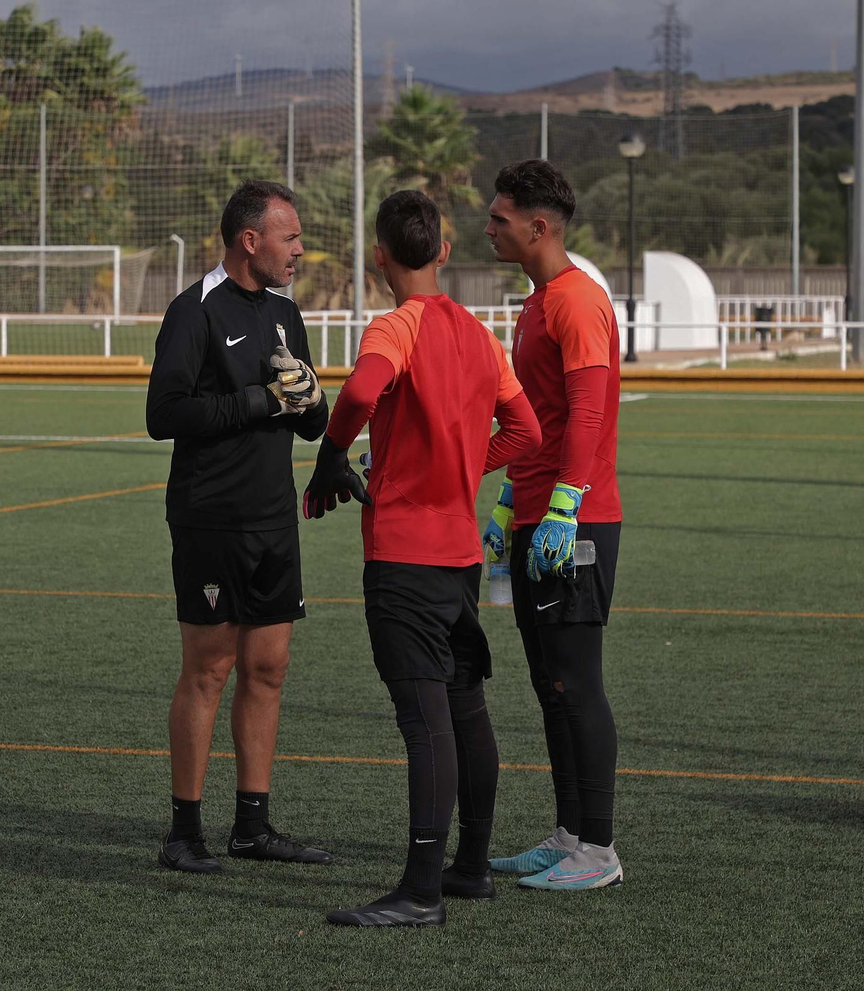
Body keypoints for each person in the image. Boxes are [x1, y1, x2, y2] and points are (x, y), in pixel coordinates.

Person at [309, 190, 540, 927]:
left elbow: (361, 390)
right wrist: (468, 465)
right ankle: (469, 867)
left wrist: (332, 454)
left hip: (404, 557)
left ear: (380, 256)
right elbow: (527, 431)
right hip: (460, 557)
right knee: (467, 709)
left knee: (425, 720)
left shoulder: (395, 325)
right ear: (443, 251)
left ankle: (419, 891)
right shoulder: (478, 333)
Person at [146, 179, 332, 873]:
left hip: (272, 519)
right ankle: (183, 832)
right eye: (290, 237)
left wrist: (314, 401)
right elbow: (163, 414)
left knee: (269, 667)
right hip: (211, 520)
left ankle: (252, 825)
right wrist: (257, 399)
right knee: (210, 667)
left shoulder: (286, 312)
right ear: (249, 240)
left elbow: (308, 419)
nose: (300, 249)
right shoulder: (193, 310)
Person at [481, 159, 625, 891]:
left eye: (500, 217)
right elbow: (539, 422)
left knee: (577, 682)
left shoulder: (576, 301)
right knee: (547, 682)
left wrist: (566, 501)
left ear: (539, 227)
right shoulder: (535, 304)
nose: (489, 227)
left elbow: (590, 410)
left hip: (578, 521)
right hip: (537, 517)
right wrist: (513, 498)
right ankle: (568, 835)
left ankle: (599, 851)